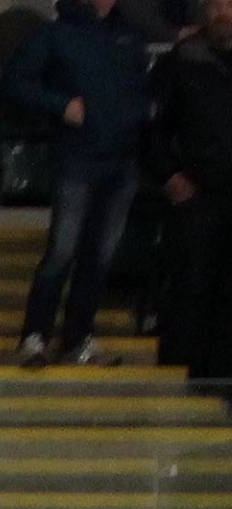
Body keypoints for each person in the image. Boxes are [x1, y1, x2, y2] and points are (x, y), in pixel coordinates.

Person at [4, 0, 150, 369]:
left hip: (122, 160)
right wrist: (61, 105)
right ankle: (35, 335)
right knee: (63, 251)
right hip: (77, 157)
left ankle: (78, 337)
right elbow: (16, 84)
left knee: (98, 257)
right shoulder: (55, 34)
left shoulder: (129, 37)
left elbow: (142, 91)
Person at [160, 0, 232, 390]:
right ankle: (184, 380)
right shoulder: (183, 60)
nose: (224, 11)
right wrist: (169, 175)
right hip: (199, 196)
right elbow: (155, 127)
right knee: (191, 287)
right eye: (218, 4)